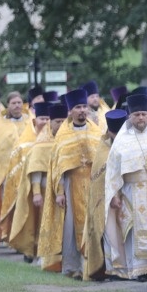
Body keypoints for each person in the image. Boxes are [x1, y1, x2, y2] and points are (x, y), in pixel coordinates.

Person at [39, 88, 103, 277]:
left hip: (92, 185)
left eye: (84, 106)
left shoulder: (96, 131)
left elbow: (103, 160)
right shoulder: (63, 134)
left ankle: (94, 267)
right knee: (70, 228)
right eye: (78, 107)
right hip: (71, 185)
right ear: (71, 111)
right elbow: (58, 166)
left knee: (94, 225)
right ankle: (72, 267)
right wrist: (59, 192)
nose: (82, 110)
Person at [103, 93, 147, 280]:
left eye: (144, 114)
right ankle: (137, 269)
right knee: (134, 229)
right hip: (131, 190)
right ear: (130, 116)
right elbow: (112, 170)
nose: (141, 118)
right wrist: (115, 195)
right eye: (137, 115)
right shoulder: (122, 139)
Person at [6, 102, 56, 261]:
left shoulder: (55, 137)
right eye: (42, 118)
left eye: (49, 118)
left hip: (54, 188)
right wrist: (35, 192)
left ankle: (49, 253)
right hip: (35, 188)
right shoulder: (28, 139)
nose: (45, 122)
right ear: (35, 120)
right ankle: (32, 250)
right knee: (35, 221)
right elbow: (35, 168)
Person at [83, 109, 127, 280]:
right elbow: (101, 178)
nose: (117, 136)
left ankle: (130, 267)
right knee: (111, 232)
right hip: (108, 200)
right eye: (114, 133)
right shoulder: (103, 149)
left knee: (127, 234)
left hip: (129, 195)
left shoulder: (131, 143)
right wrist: (113, 196)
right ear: (109, 132)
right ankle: (114, 268)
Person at [0, 91, 29, 245]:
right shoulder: (2, 124)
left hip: (26, 171)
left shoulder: (30, 120)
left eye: (19, 102)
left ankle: (23, 237)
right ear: (8, 105)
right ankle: (9, 235)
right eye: (14, 103)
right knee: (9, 204)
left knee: (24, 205)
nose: (17, 106)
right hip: (7, 173)